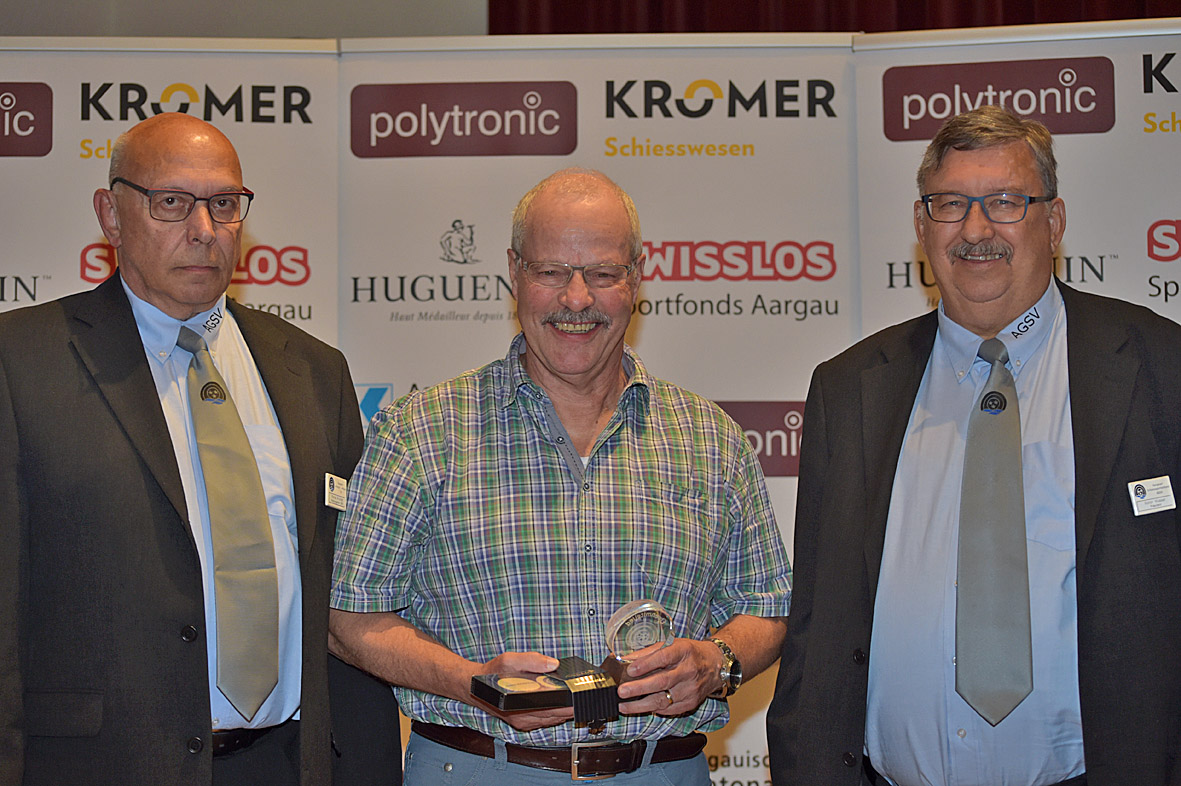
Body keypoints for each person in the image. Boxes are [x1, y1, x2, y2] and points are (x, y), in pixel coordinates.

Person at [329, 167, 792, 785]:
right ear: (514, 273)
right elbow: (350, 618)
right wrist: (472, 682)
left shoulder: (711, 439)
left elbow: (768, 608)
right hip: (477, 771)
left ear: (636, 277)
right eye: (551, 272)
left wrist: (716, 661)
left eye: (602, 273)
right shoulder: (422, 431)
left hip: (663, 773)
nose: (576, 299)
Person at [767, 105, 1181, 786]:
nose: (976, 229)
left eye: (1006, 202)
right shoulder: (849, 389)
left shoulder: (1160, 367)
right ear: (921, 225)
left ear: (1054, 221)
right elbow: (816, 623)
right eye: (951, 204)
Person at [0, 113, 401, 786]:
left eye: (224, 204)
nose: (204, 229)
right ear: (111, 215)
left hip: (286, 762)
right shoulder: (21, 361)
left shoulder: (313, 370)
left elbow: (346, 598)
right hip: (103, 766)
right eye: (171, 203)